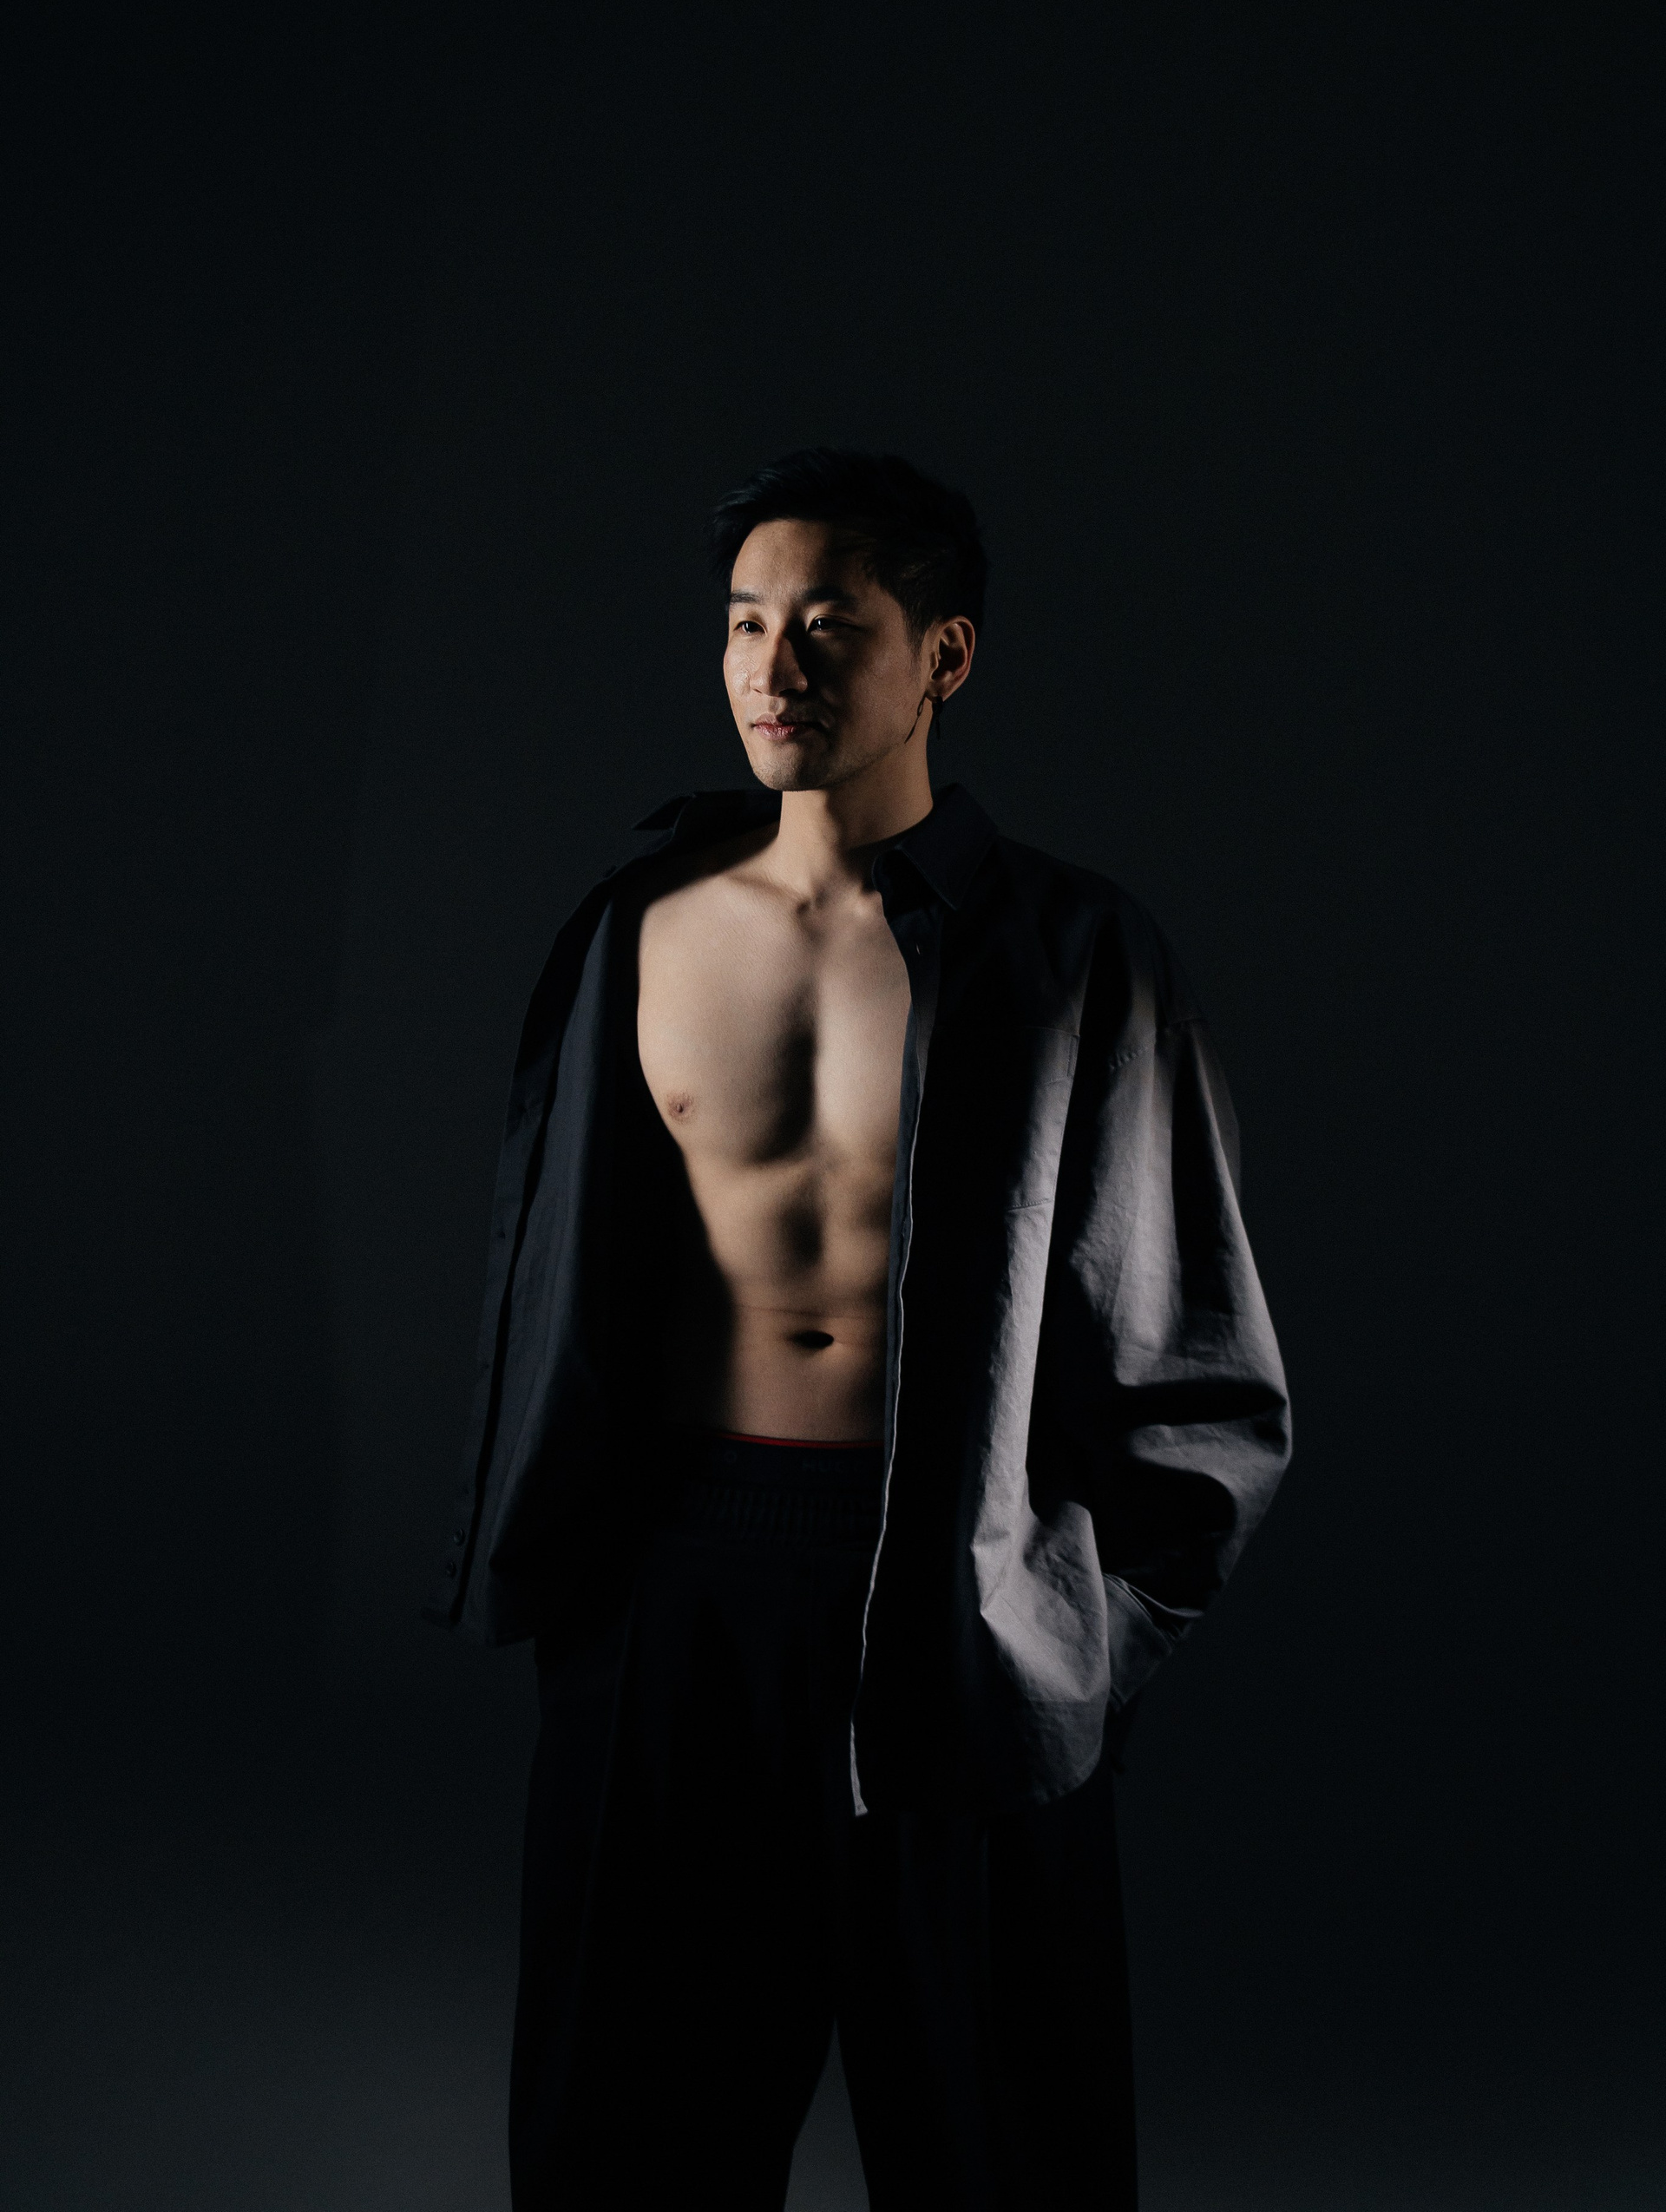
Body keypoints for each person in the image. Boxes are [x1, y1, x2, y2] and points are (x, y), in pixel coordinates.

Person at [427, 448, 1291, 2209]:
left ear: (942, 657)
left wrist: (1079, 1634)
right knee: (629, 2149)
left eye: (829, 625)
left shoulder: (1076, 952)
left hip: (961, 1599)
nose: (775, 667)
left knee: (998, 2149)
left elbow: (1202, 1350)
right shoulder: (637, 931)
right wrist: (583, 1591)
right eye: (747, 625)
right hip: (674, 1593)